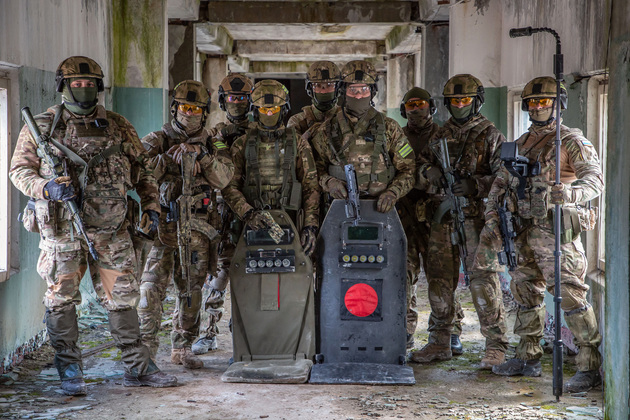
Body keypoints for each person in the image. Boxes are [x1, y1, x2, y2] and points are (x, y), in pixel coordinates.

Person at [9, 56, 177, 395]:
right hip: (63, 232)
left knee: (122, 298)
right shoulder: (42, 126)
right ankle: (70, 372)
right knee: (61, 300)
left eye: (89, 84)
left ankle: (138, 367)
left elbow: (144, 171)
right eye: (77, 84)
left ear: (98, 87)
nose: (84, 88)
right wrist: (47, 188)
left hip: (112, 232)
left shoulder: (118, 125)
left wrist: (152, 205)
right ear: (64, 86)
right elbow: (19, 171)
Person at [480, 76, 603, 393]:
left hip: (555, 233)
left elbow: (595, 181)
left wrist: (571, 193)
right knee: (525, 294)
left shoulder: (570, 141)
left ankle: (589, 367)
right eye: (532, 102)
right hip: (520, 231)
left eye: (544, 102)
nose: (537, 107)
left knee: (571, 296)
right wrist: (492, 217)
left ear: (558, 104)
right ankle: (527, 357)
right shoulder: (520, 143)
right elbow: (499, 185)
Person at [410, 74, 508, 369]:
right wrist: (429, 173)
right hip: (443, 219)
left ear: (477, 101)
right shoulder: (440, 134)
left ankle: (495, 346)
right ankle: (440, 340)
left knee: (482, 282)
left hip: (476, 220)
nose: (459, 105)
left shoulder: (490, 135)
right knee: (439, 282)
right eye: (454, 100)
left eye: (465, 100)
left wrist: (476, 185)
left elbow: (505, 177)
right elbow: (419, 164)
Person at [137, 80, 235, 369]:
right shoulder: (157, 139)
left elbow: (224, 178)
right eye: (185, 108)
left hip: (198, 229)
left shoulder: (214, 143)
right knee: (150, 290)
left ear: (204, 113)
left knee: (191, 291)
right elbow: (135, 172)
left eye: (196, 109)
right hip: (163, 228)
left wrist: (202, 158)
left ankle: (182, 347)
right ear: (174, 109)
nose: (189, 113)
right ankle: (145, 352)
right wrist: (167, 162)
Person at [222, 79, 320, 260]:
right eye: (263, 109)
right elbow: (229, 186)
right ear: (255, 110)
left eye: (274, 109)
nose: (268, 114)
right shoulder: (242, 144)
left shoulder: (298, 142)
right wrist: (248, 213)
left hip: (291, 222)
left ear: (283, 109)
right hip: (252, 225)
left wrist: (310, 226)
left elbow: (311, 186)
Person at [192, 73, 255, 355]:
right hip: (222, 211)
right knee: (219, 273)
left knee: (252, 276)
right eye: (232, 97)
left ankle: (245, 331)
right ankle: (208, 332)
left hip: (252, 209)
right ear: (223, 100)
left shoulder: (260, 131)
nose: (237, 103)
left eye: (242, 98)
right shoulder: (216, 133)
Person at [310, 60, 416, 216]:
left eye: (364, 89)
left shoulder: (390, 128)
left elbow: (409, 169)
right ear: (343, 91)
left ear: (372, 91)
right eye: (353, 89)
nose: (358, 95)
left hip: (381, 210)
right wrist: (329, 182)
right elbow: (313, 170)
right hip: (340, 210)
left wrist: (393, 192)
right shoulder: (326, 130)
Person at [397, 87, 445, 349]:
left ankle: (449, 332)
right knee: (404, 275)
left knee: (440, 276)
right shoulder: (397, 136)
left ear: (431, 107)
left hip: (436, 216)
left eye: (421, 104)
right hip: (404, 214)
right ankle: (405, 331)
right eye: (411, 105)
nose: (416, 110)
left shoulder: (443, 135)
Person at [287, 60, 341, 137]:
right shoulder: (297, 121)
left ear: (337, 88)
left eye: (329, 85)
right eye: (318, 85)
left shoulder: (346, 118)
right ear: (310, 89)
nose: (323, 91)